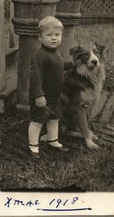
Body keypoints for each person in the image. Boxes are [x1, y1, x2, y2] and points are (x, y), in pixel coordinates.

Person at [28, 16, 69, 157]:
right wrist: (38, 95)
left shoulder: (56, 52)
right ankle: (33, 147)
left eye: (57, 35)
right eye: (49, 35)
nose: (54, 38)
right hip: (42, 96)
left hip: (55, 96)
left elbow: (59, 66)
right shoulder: (40, 55)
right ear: (40, 38)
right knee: (38, 120)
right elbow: (35, 77)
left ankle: (52, 141)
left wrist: (72, 66)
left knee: (54, 118)